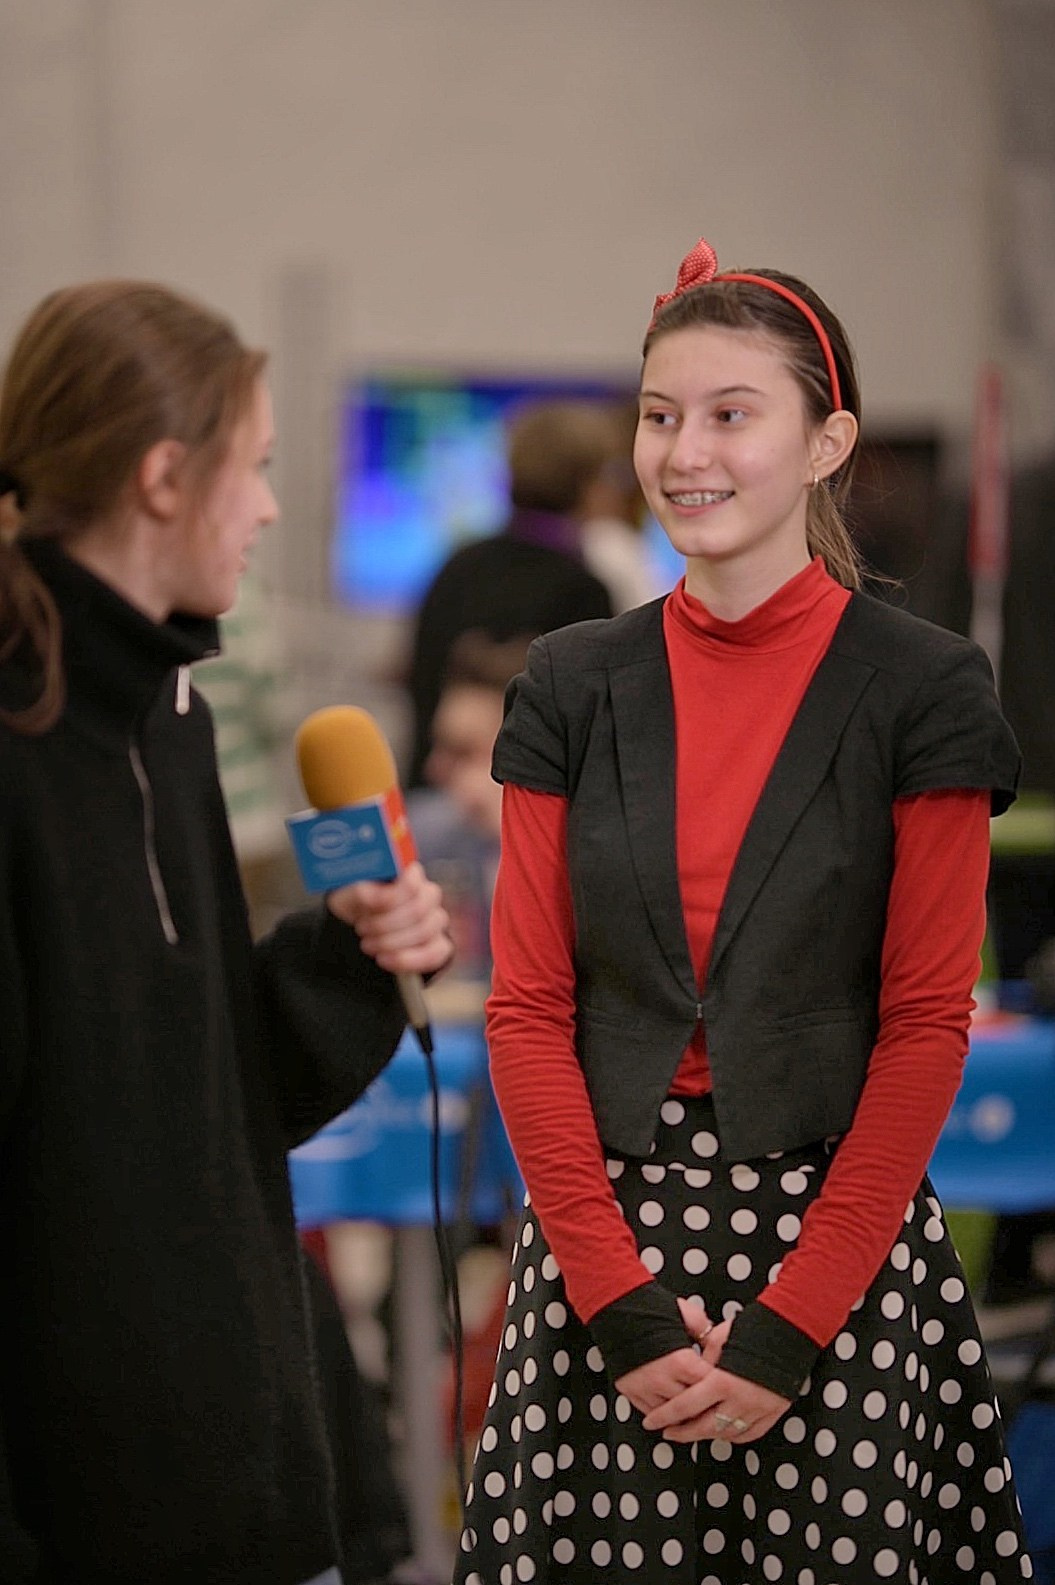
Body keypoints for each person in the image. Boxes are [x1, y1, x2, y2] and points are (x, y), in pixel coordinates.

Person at [455, 238, 1032, 1583]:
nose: (684, 453)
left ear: (826, 443)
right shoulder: (569, 681)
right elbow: (527, 1008)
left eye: (729, 414)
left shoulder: (923, 688)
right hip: (604, 1251)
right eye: (659, 416)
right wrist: (616, 1304)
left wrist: (789, 1328)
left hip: (832, 1261)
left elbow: (923, 1026)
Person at [0, 280, 452, 1585]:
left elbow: (206, 1111)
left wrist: (346, 950)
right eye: (251, 468)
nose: (266, 508)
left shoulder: (170, 713)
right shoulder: (24, 745)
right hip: (84, 1523)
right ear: (161, 478)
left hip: (244, 1494)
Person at [402, 401, 614, 789]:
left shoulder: (459, 565)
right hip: (515, 800)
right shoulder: (583, 590)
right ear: (587, 485)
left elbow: (420, 683)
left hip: (432, 784)